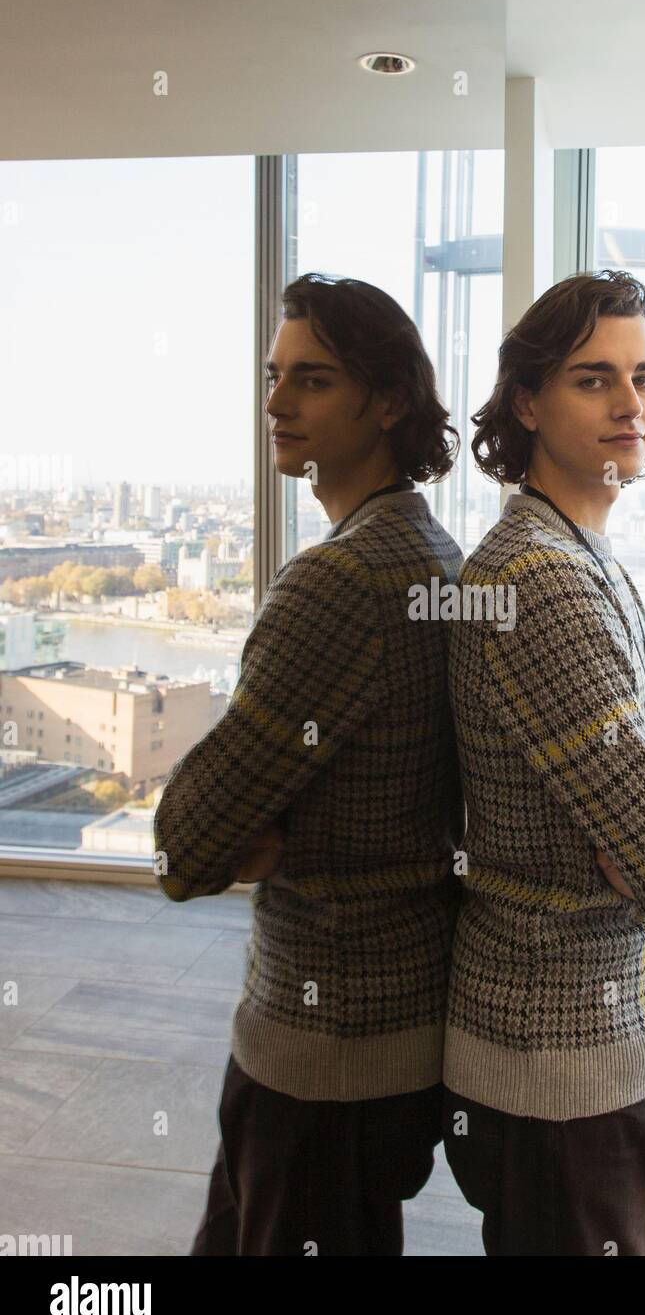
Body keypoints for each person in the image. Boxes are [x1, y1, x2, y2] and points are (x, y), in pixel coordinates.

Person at [153, 273, 465, 1255]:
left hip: (321, 1049)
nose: (276, 403)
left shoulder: (339, 581)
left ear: (387, 402)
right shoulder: (433, 555)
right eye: (273, 374)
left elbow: (183, 845)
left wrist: (247, 841)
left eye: (313, 380)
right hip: (395, 1028)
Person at [441, 268, 645, 1256]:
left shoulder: (585, 553)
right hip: (562, 1071)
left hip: (619, 1047)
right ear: (524, 402)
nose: (630, 403)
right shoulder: (536, 578)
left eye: (644, 374)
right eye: (591, 378)